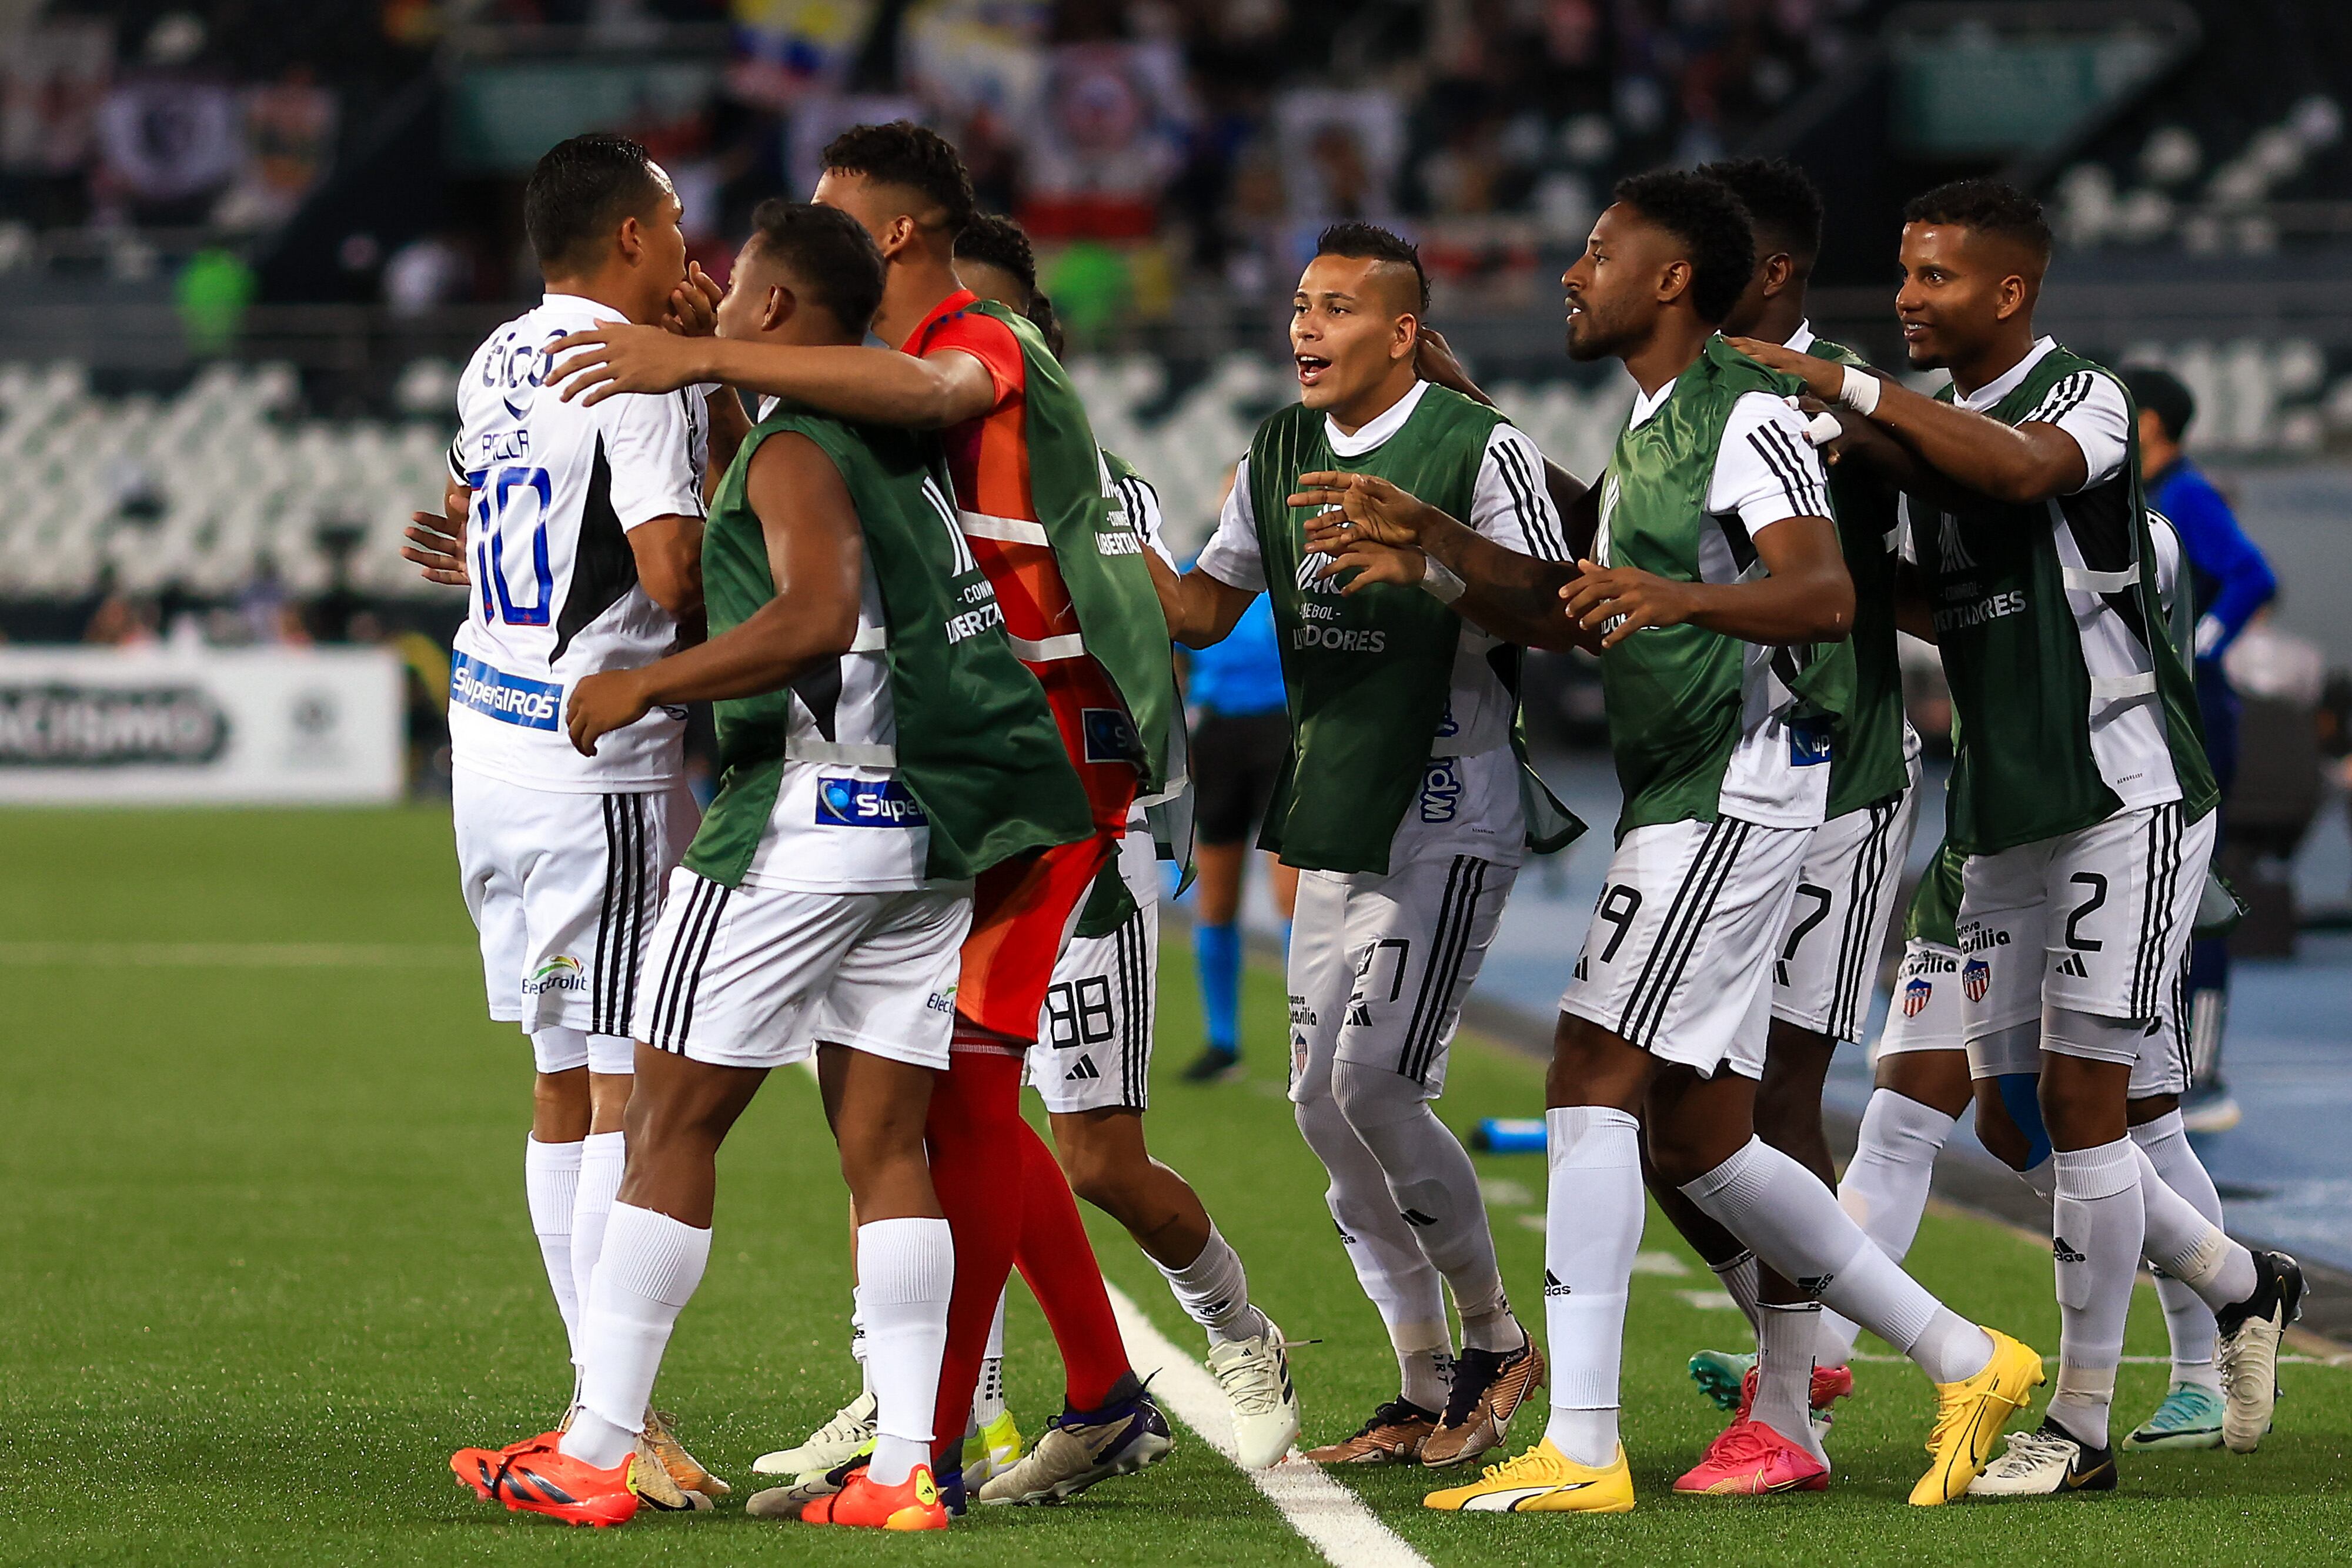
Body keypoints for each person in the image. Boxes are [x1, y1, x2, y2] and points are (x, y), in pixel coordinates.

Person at [1308, 171, 2041, 1513]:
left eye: (1596, 251)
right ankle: (1962, 1351)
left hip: (1734, 786)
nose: (1569, 273)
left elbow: (1822, 595)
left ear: (1669, 279)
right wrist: (1431, 546)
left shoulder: (1745, 411)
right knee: (1704, 1133)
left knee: (1589, 1076)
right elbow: (1568, 607)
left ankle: (1583, 1440)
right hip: (1686, 788)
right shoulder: (1651, 430)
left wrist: (1679, 593)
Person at [543, 123, 1186, 1507]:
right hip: (932, 819)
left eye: (749, 277)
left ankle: (597, 1444)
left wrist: (641, 677)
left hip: (852, 808)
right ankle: (917, 1455)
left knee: (669, 1117)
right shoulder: (876, 428)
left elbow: (812, 605)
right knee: (910, 1135)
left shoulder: (954, 355)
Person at [1735, 178, 2302, 1493]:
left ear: (2007, 291)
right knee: (2008, 1115)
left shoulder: (2080, 397)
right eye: (1900, 272)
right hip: (1996, 808)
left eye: (1933, 277)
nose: (1906, 298)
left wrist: (1852, 390)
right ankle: (2232, 1282)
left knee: (2093, 1107)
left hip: (2119, 789)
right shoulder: (1927, 435)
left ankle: (2087, 1420)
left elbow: (2022, 469)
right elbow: (1957, 599)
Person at [1153, 222, 1573, 1472]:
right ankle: (1419, 1378)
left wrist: (1432, 561)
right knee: (1318, 1106)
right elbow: (1204, 607)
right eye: (1297, 305)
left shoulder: (1474, 445)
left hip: (1449, 804)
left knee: (1373, 1083)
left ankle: (1496, 1339)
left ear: (1400, 331)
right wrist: (1080, 528)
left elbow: (1550, 609)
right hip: (1334, 806)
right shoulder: (1276, 450)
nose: (1303, 328)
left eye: (1335, 307)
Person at [403, 131, 729, 1509]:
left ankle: (606, 1405)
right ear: (634, 239)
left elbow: (488, 514)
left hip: (484, 743)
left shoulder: (496, 353)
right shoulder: (636, 365)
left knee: (555, 1074)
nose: (692, 250)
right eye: (676, 225)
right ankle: (615, 1419)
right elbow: (671, 568)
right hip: (593, 762)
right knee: (633, 1089)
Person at [1653, 158, 1921, 1468]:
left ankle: (1784, 1406)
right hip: (1716, 782)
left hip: (1841, 777)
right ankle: (1801, 1343)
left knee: (1769, 1100)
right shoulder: (1689, 398)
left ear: (1762, 276)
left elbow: (1878, 546)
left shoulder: (1837, 399)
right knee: (1664, 1113)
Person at [2122, 365, 2277, 1133]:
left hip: (2199, 723)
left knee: (2199, 888)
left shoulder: (2185, 493)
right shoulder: (2141, 495)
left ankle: (2201, 1071)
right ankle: (2155, 1057)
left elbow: (2253, 576)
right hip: (2158, 721)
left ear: (2148, 422)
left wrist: (2199, 649)